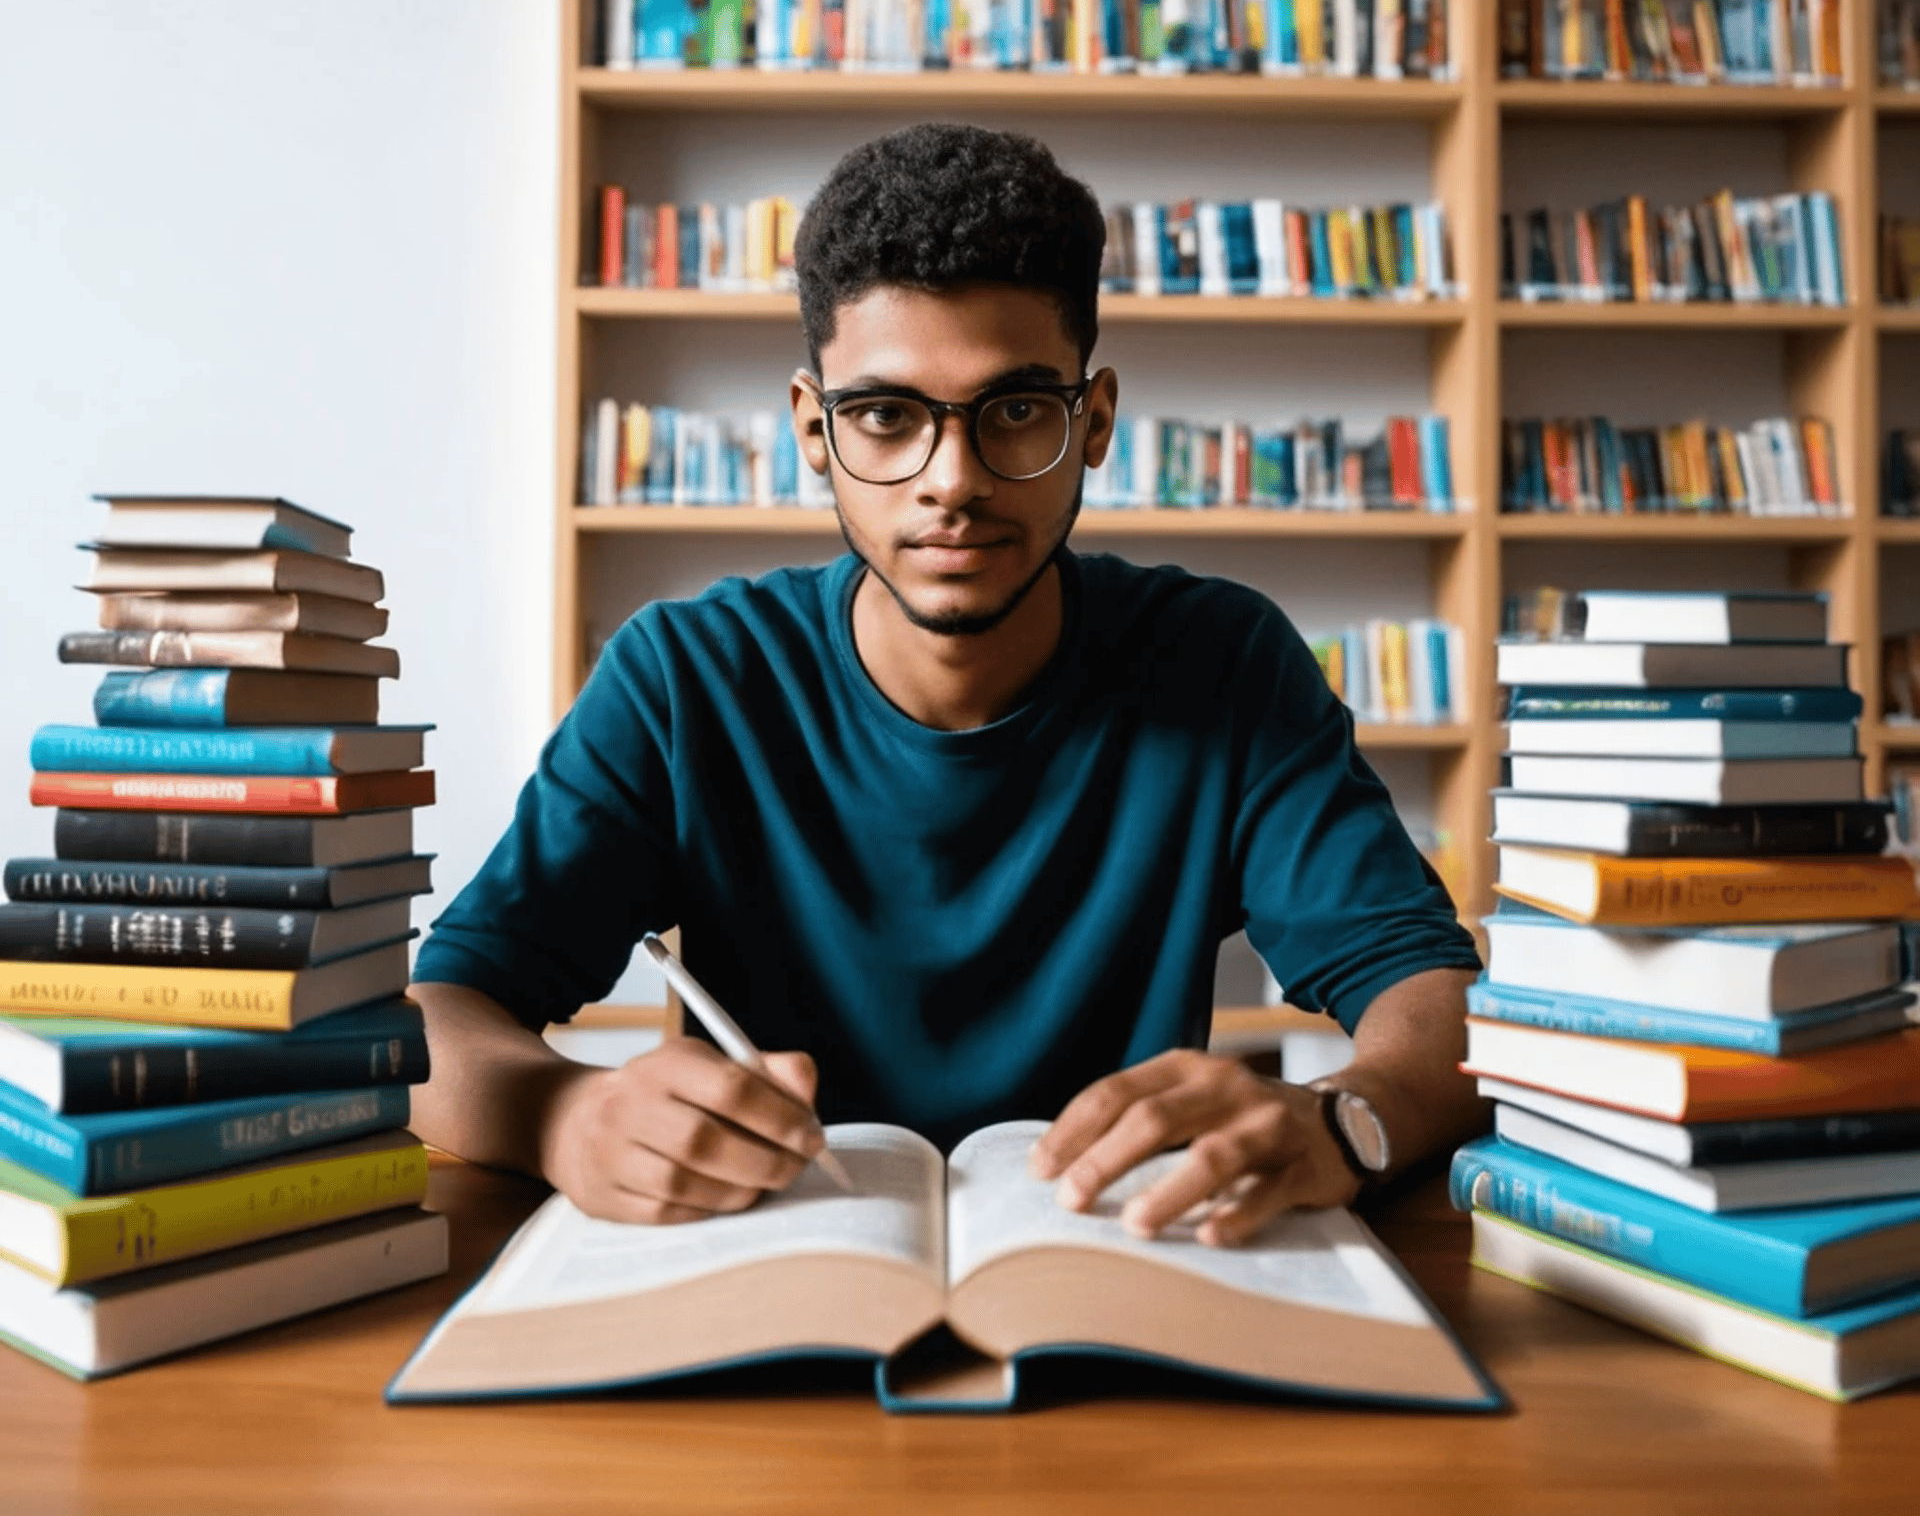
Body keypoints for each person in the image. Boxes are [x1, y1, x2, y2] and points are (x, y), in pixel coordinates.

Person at [411, 122, 1484, 1248]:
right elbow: (445, 1010)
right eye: (886, 416)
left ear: (1096, 420)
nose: (952, 483)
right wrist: (562, 1115)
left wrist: (1346, 1120)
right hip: (770, 1269)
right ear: (812, 432)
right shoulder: (685, 677)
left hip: (1126, 1262)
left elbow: (1434, 996)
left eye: (1016, 411)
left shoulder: (1223, 663)